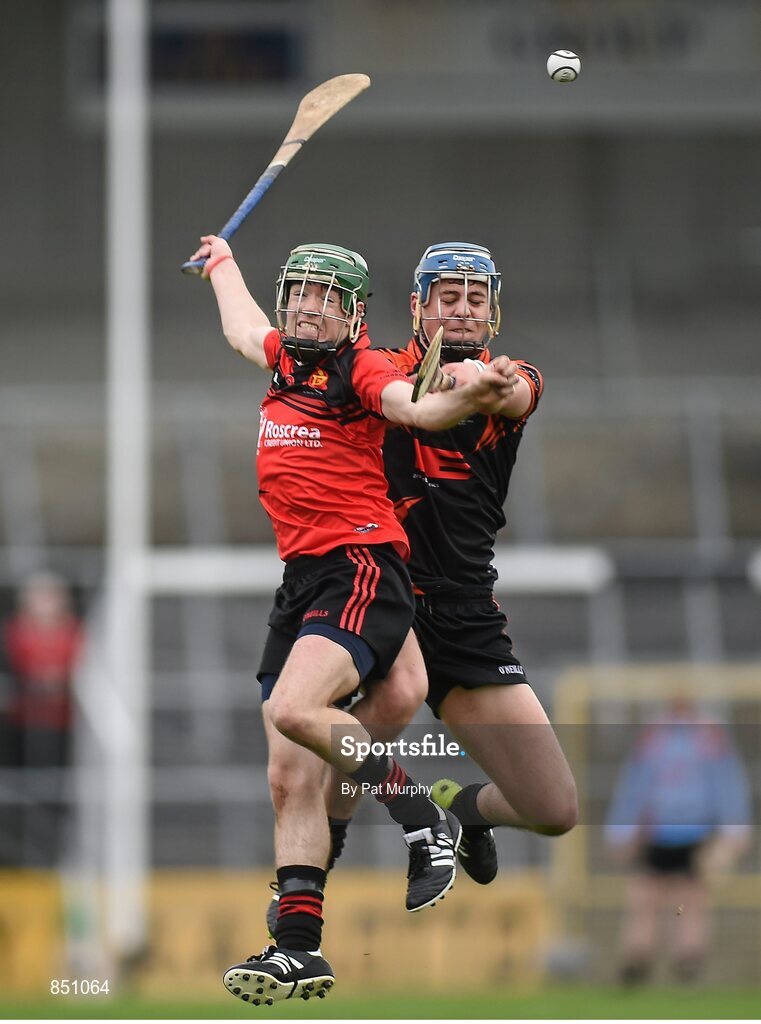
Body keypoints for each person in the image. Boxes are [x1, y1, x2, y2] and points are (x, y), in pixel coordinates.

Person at [188, 234, 517, 1004]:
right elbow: (240, 326)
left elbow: (414, 405)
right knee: (286, 772)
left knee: (294, 708)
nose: (311, 305)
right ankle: (297, 948)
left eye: (329, 296)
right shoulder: (279, 355)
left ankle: (418, 816)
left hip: (358, 564)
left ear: (355, 313)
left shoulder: (362, 367)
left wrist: (469, 393)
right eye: (301, 289)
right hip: (302, 577)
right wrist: (222, 262)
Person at [267, 241, 578, 932]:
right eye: (446, 297)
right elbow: (391, 392)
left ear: (492, 311)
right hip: (383, 592)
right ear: (417, 307)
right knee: (364, 719)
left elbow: (512, 390)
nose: (459, 310)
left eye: (473, 299)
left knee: (553, 810)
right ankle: (320, 878)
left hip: (466, 611)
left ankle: (460, 808)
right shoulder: (373, 371)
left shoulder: (512, 379)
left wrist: (481, 383)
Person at [605, 696, 752, 985]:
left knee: (689, 900)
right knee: (648, 897)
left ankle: (687, 961)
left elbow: (727, 785)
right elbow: (636, 785)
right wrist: (623, 831)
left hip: (695, 833)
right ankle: (639, 960)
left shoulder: (710, 736)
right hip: (658, 833)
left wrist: (733, 831)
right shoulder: (654, 736)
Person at [1, 571, 83, 865]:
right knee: (22, 787)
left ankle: (53, 852)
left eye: (51, 596)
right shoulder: (14, 632)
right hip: (21, 726)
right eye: (40, 596)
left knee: (56, 789)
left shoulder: (74, 633)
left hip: (61, 726)